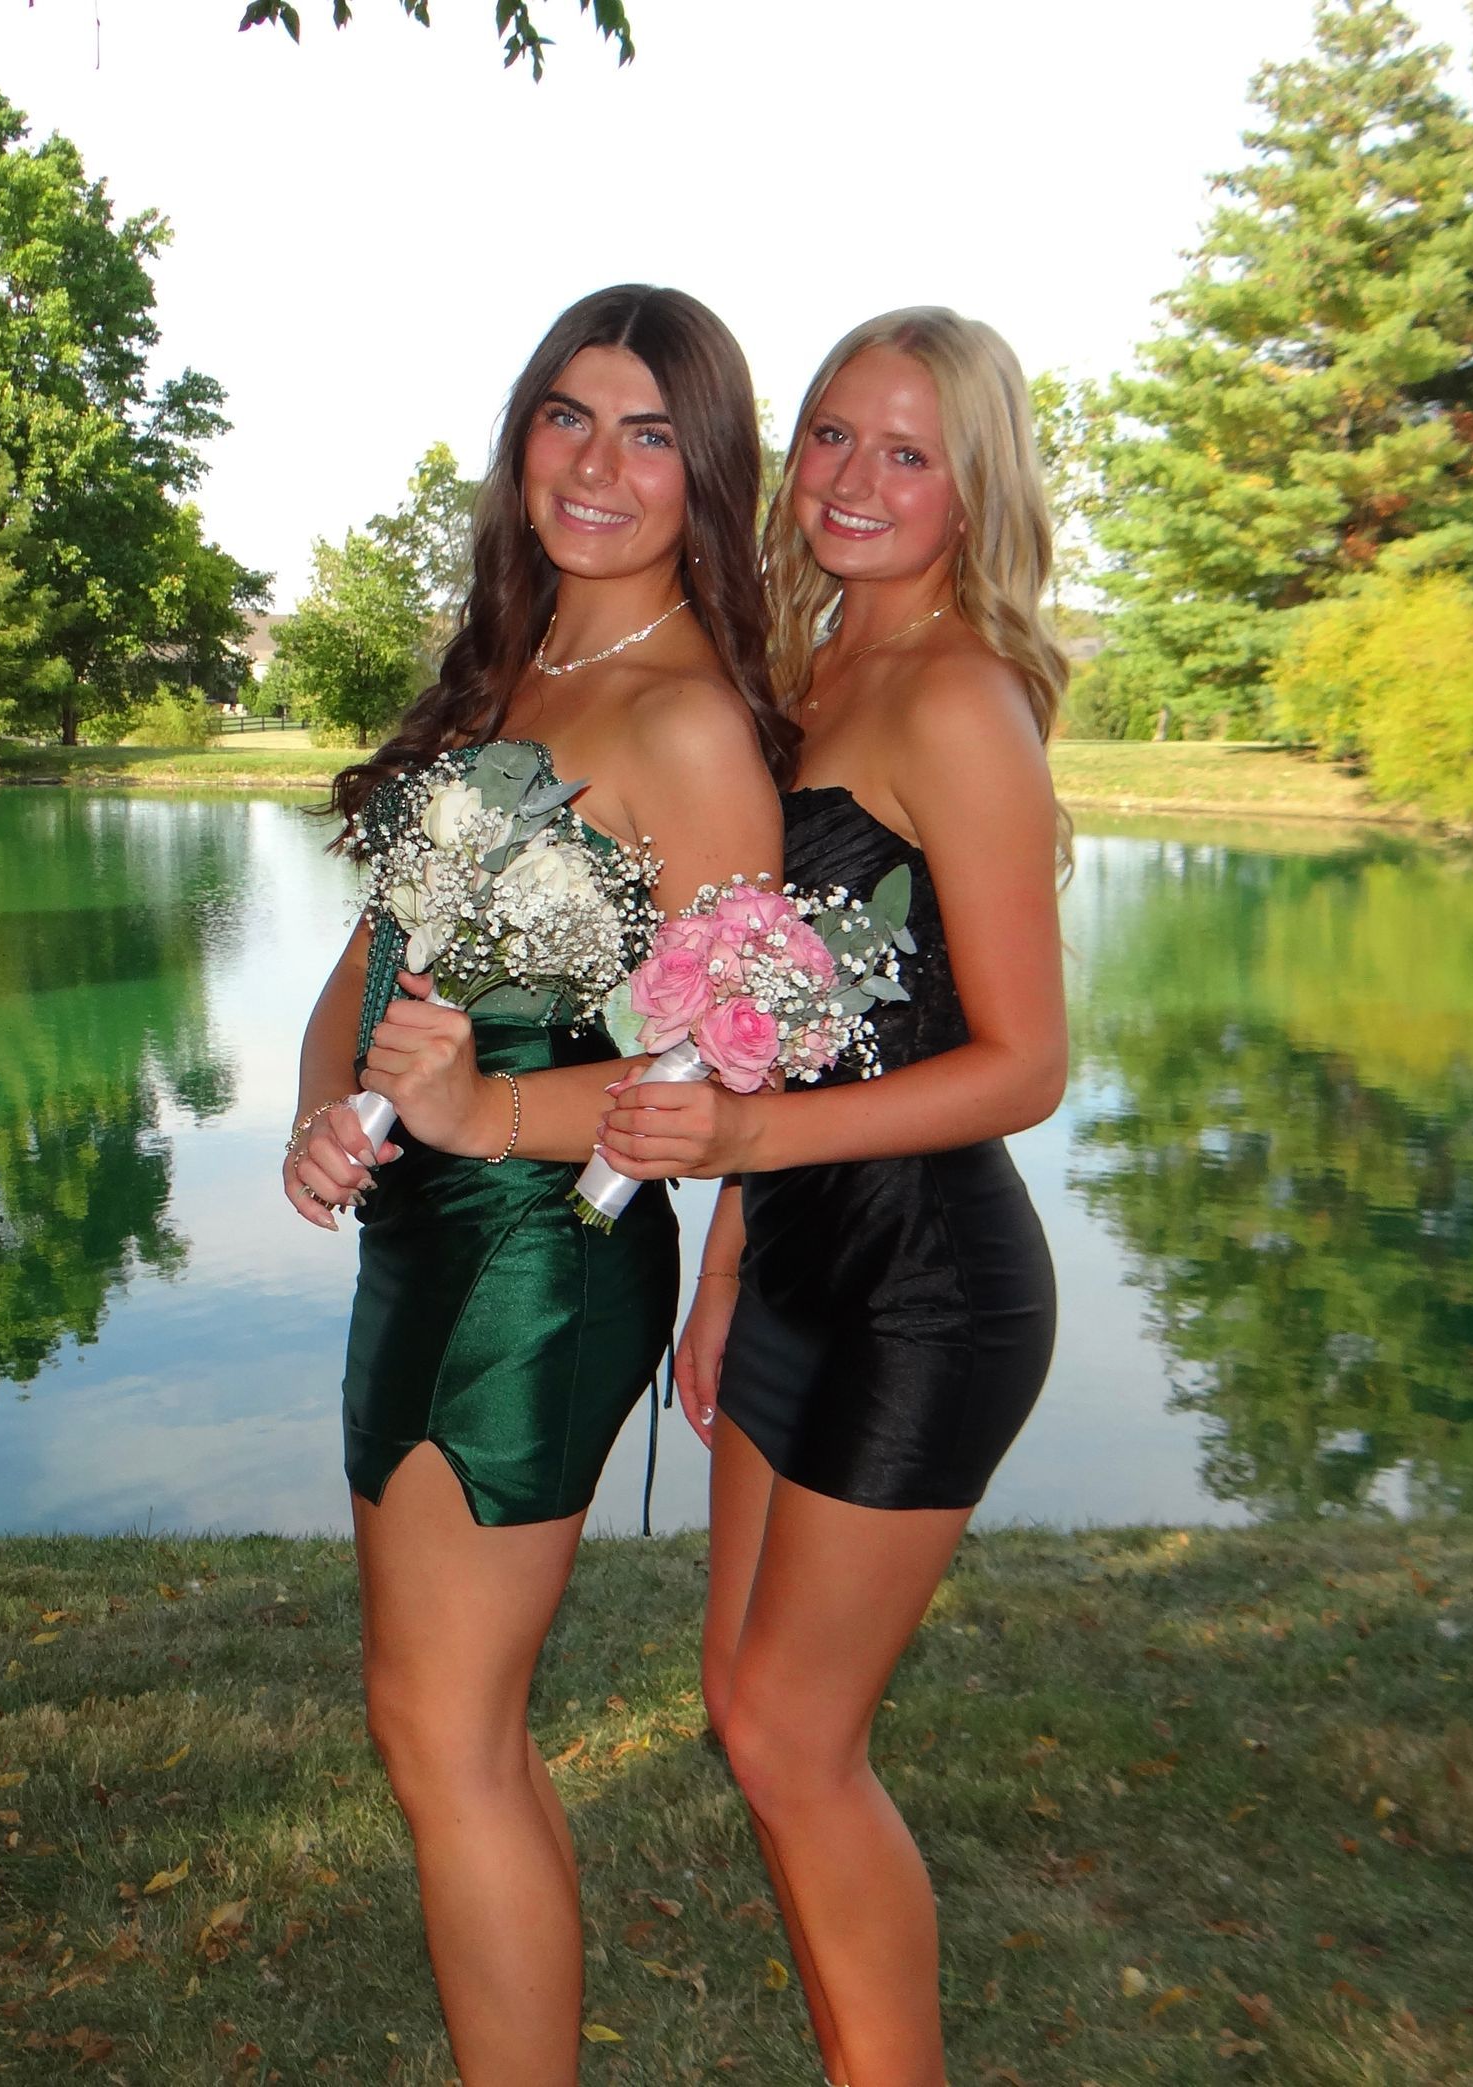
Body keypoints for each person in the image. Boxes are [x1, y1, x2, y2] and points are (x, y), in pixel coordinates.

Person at [282, 284, 791, 2087]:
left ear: (706, 477)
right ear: (522, 439)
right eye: (569, 416)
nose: (597, 462)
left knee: (446, 1732)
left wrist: (487, 1112)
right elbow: (376, 952)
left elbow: (728, 1075)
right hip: (418, 1237)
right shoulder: (508, 668)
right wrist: (318, 1114)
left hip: (541, 1256)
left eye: (651, 432)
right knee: (432, 1729)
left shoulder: (691, 727)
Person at [596, 308, 1070, 2087]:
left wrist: (742, 1160)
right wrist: (726, 1267)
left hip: (929, 1294)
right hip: (792, 1267)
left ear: (972, 491)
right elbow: (777, 1023)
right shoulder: (808, 681)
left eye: (907, 453)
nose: (853, 482)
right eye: (829, 439)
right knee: (746, 1714)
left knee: (798, 1738)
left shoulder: (954, 692)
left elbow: (1025, 1064)